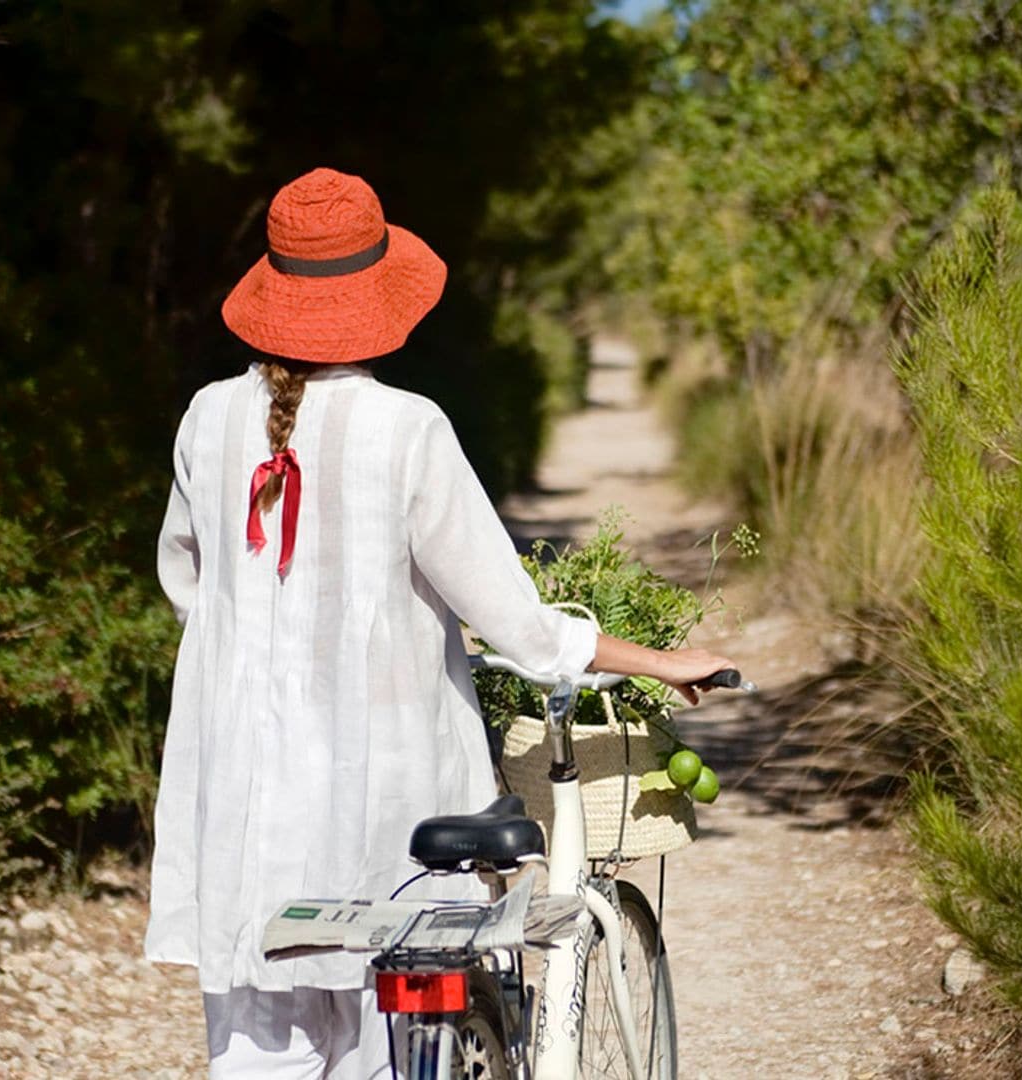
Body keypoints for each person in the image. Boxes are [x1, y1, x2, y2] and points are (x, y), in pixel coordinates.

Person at [144, 166, 733, 1079]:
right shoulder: (406, 429)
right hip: (381, 804)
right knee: (393, 1043)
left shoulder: (208, 419)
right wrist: (659, 660)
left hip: (238, 803)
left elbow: (190, 584)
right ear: (379, 299)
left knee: (260, 1053)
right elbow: (514, 622)